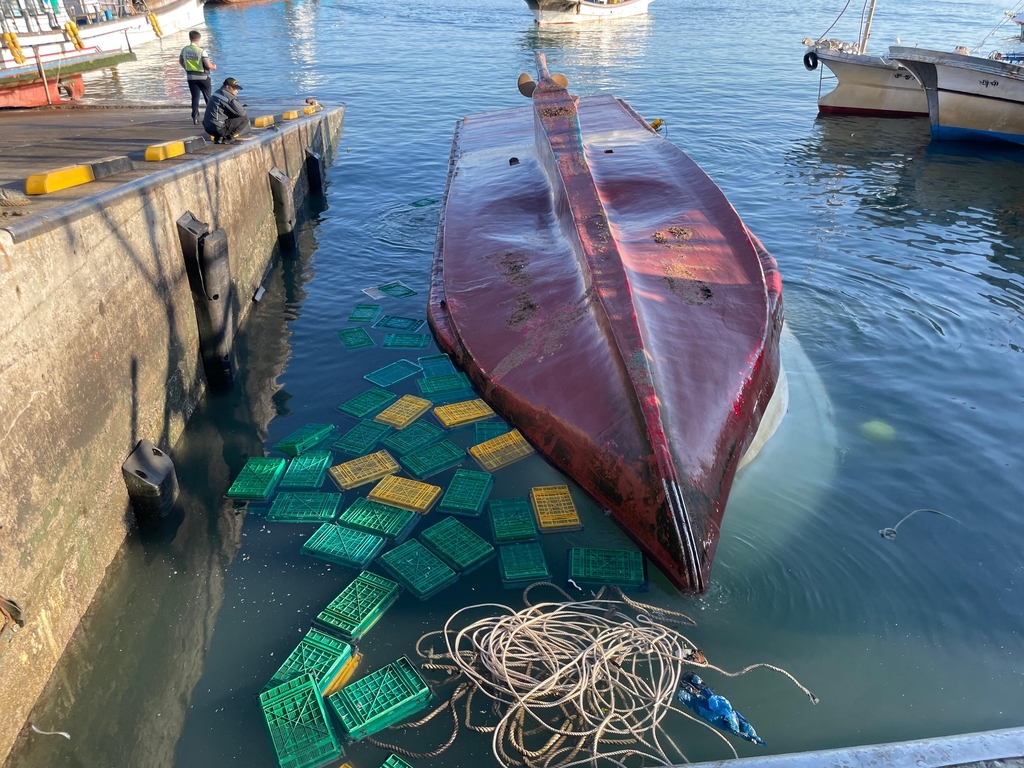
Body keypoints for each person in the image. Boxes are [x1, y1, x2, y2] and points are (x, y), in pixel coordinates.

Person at [179, 30, 216, 125]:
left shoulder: (184, 50)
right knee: (208, 97)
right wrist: (214, 67)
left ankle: (195, 118)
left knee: (195, 98)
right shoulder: (201, 51)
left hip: (191, 77)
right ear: (198, 39)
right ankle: (210, 117)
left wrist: (186, 68)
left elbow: (181, 61)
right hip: (203, 77)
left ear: (190, 38)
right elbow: (208, 65)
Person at [203, 77, 250, 144]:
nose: (237, 91)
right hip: (218, 129)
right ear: (227, 87)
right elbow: (241, 113)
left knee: (224, 114)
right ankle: (229, 137)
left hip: (208, 127)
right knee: (244, 118)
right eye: (234, 89)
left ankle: (219, 138)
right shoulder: (228, 97)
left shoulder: (217, 93)